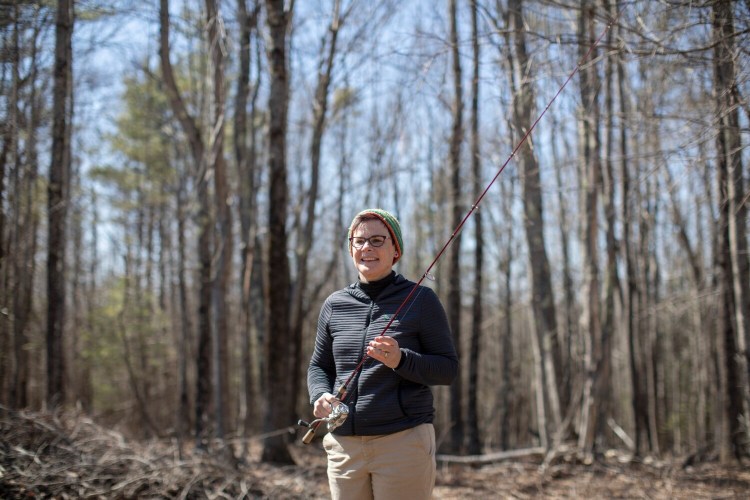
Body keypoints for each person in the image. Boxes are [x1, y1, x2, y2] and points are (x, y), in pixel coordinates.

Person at [307, 208, 458, 500]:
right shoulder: (334, 304)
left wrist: (401, 360)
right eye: (359, 241)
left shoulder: (421, 300)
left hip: (402, 442)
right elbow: (318, 365)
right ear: (350, 248)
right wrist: (319, 395)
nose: (367, 248)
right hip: (343, 447)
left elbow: (447, 369)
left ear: (395, 250)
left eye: (378, 240)